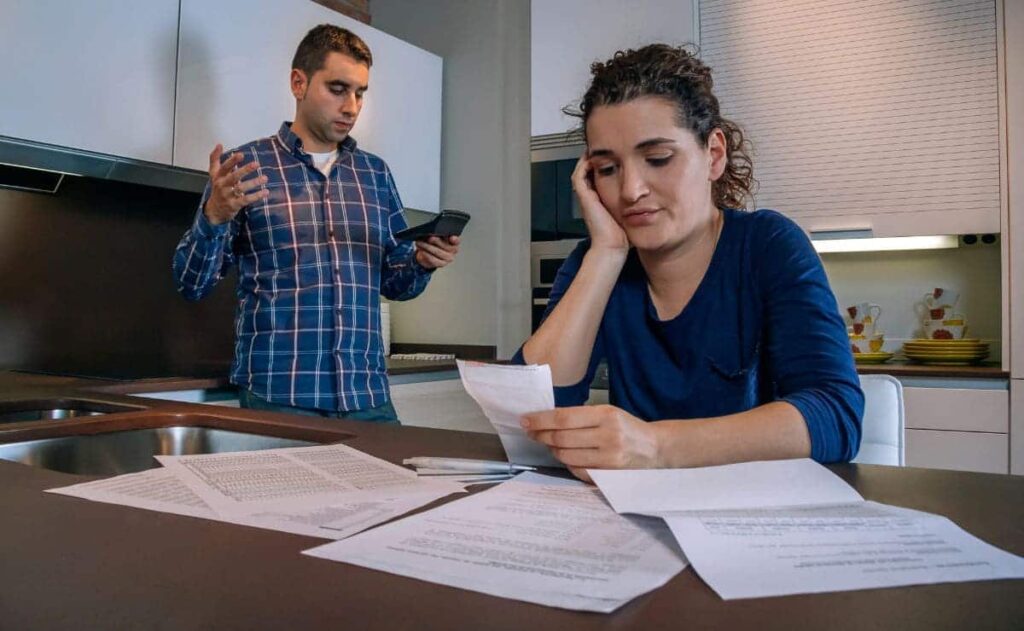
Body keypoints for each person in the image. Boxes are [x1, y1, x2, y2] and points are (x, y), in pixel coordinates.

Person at [517, 44, 863, 481]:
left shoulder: (768, 245)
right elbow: (531, 412)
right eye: (606, 169)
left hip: (756, 509)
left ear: (713, 155)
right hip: (633, 516)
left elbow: (835, 416)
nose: (630, 190)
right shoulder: (596, 261)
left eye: (658, 159)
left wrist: (656, 446)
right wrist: (605, 253)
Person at [173, 24, 459, 422]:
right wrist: (214, 217)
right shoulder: (244, 169)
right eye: (338, 89)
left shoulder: (375, 175)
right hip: (280, 398)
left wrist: (423, 262)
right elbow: (191, 283)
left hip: (367, 398)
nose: (352, 107)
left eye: (360, 93)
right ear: (298, 83)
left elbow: (396, 283)